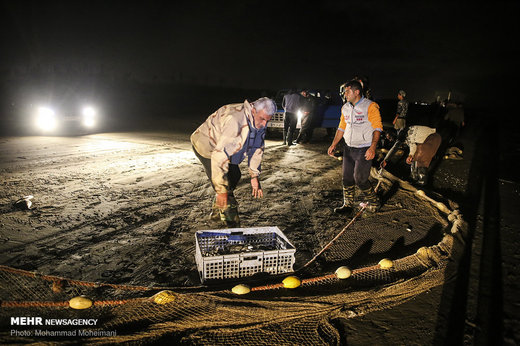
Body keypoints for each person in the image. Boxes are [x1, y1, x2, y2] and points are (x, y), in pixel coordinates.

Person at [191, 97, 276, 227]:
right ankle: (233, 229)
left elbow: (257, 148)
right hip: (208, 147)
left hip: (223, 147)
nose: (264, 124)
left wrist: (254, 176)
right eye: (262, 119)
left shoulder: (258, 120)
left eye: (267, 120)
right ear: (253, 110)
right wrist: (221, 191)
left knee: (235, 175)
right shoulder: (235, 122)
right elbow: (219, 156)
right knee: (226, 186)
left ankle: (216, 215)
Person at [327, 80, 383, 214]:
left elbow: (377, 128)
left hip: (364, 148)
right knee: (347, 178)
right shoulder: (345, 107)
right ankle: (348, 206)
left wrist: (373, 147)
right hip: (349, 148)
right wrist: (334, 144)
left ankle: (375, 201)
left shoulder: (370, 106)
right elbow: (341, 127)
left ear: (357, 92)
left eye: (347, 91)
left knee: (360, 179)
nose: (345, 94)